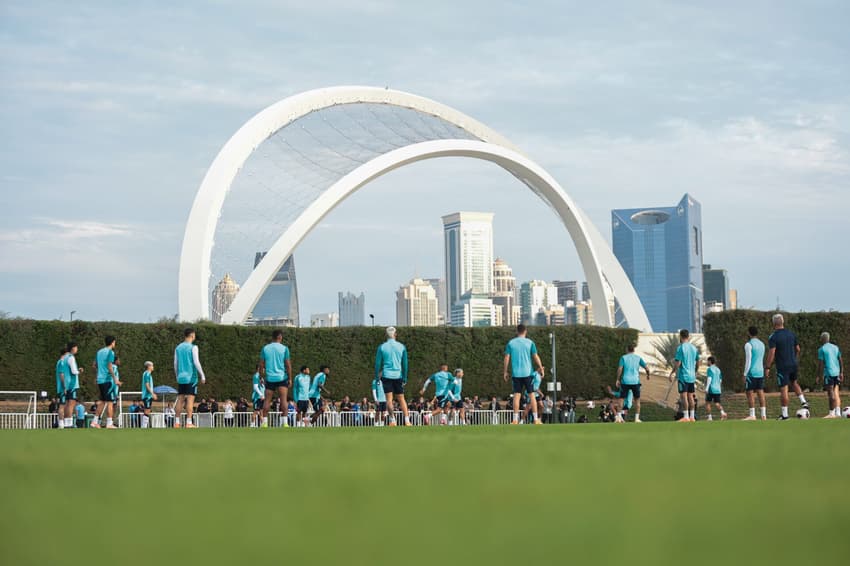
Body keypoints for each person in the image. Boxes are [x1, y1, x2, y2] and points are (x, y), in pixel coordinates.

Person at [765, 313, 808, 420]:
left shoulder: (773, 337)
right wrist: (794, 358)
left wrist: (767, 367)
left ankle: (785, 415)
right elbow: (798, 349)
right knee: (794, 382)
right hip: (793, 363)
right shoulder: (791, 334)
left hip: (782, 366)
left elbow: (772, 353)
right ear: (783, 322)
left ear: (773, 323)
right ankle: (804, 402)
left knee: (784, 389)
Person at [503, 324, 545, 425]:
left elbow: (506, 358)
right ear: (525, 331)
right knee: (532, 396)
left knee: (517, 396)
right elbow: (535, 356)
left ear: (517, 331)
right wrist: (541, 367)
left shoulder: (511, 343)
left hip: (516, 374)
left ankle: (515, 420)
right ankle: (535, 419)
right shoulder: (530, 342)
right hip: (528, 373)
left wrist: (505, 371)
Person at [375, 326, 410, 426]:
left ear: (386, 335)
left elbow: (377, 364)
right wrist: (405, 377)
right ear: (395, 334)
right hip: (398, 375)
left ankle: (392, 420)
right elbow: (405, 364)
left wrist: (377, 377)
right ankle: (407, 420)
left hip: (386, 375)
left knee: (389, 400)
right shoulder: (401, 346)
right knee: (401, 399)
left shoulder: (382, 347)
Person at [173, 327, 206, 429]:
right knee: (190, 400)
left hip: (181, 377)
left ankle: (177, 423)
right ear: (192, 335)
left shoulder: (178, 347)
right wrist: (202, 375)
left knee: (180, 399)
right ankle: (188, 422)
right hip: (191, 377)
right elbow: (196, 362)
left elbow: (175, 363)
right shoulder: (193, 347)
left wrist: (177, 375)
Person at [260, 330, 292, 428]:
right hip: (282, 377)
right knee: (283, 400)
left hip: (270, 378)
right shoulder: (284, 348)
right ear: (280, 337)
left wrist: (261, 377)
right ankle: (285, 423)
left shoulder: (265, 348)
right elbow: (288, 365)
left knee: (267, 401)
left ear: (272, 337)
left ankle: (264, 422)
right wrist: (290, 378)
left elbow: (261, 365)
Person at [669, 329, 699, 422]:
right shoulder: (694, 348)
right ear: (688, 336)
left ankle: (686, 416)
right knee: (691, 396)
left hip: (683, 376)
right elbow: (698, 362)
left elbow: (678, 362)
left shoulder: (681, 348)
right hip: (691, 376)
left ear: (681, 337)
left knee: (684, 396)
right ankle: (692, 417)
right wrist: (695, 371)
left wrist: (673, 372)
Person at [91, 336, 121, 429]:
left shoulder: (99, 352)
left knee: (102, 402)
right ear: (112, 342)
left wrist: (97, 376)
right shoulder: (110, 352)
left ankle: (94, 422)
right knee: (110, 402)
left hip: (100, 380)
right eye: (114, 342)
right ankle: (109, 423)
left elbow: (94, 365)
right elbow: (110, 366)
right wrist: (115, 379)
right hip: (107, 380)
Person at [616, 344, 650, 423]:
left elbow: (620, 369)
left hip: (625, 381)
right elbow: (647, 368)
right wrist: (648, 375)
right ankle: (636, 418)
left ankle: (618, 417)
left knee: (621, 399)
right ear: (633, 350)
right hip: (635, 382)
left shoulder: (623, 357)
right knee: (637, 400)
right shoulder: (638, 358)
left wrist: (617, 379)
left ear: (627, 349)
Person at [742, 326, 767, 420]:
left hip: (751, 372)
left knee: (750, 393)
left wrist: (744, 374)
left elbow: (748, 360)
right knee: (760, 392)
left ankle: (752, 415)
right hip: (760, 371)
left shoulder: (748, 344)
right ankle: (763, 415)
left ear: (749, 333)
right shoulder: (762, 344)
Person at [816, 332, 843, 418]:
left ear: (822, 339)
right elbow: (840, 360)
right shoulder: (835, 347)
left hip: (829, 373)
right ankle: (837, 412)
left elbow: (820, 364)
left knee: (830, 392)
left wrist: (818, 376)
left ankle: (832, 413)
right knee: (836, 392)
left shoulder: (822, 349)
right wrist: (841, 372)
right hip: (837, 372)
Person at [63, 341, 82, 429]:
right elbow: (74, 371)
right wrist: (80, 371)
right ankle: (69, 423)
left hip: (67, 383)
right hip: (72, 384)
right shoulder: (71, 357)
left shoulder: (65, 357)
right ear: (73, 348)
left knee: (67, 404)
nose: (77, 349)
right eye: (76, 347)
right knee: (71, 403)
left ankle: (66, 423)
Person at [704, 356, 727, 421]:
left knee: (707, 403)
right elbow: (720, 380)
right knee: (717, 403)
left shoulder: (709, 369)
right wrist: (718, 386)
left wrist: (707, 388)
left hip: (711, 389)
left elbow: (709, 378)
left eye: (707, 361)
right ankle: (723, 413)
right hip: (718, 389)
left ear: (710, 361)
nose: (707, 362)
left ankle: (710, 417)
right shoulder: (718, 369)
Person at [140, 361, 158, 428]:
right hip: (147, 395)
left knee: (147, 410)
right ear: (149, 366)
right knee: (147, 410)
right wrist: (152, 394)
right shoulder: (147, 374)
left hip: (148, 395)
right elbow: (147, 385)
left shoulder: (147, 374)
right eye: (152, 366)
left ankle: (144, 426)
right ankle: (144, 426)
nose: (153, 367)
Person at [55, 347, 68, 428]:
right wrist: (65, 387)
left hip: (63, 387)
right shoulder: (62, 362)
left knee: (65, 405)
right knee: (62, 405)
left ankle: (64, 422)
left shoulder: (60, 362)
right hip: (62, 388)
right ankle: (61, 424)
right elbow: (62, 375)